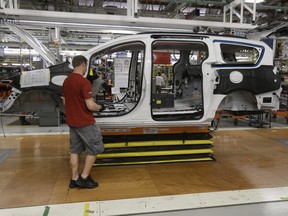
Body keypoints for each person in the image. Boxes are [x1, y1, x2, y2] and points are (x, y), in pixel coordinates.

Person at [62, 55, 104, 189]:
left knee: (75, 151)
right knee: (94, 149)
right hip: (85, 122)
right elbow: (91, 106)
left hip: (72, 122)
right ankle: (84, 177)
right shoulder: (84, 82)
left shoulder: (66, 81)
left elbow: (65, 102)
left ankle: (74, 179)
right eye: (86, 65)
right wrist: (101, 107)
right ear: (83, 65)